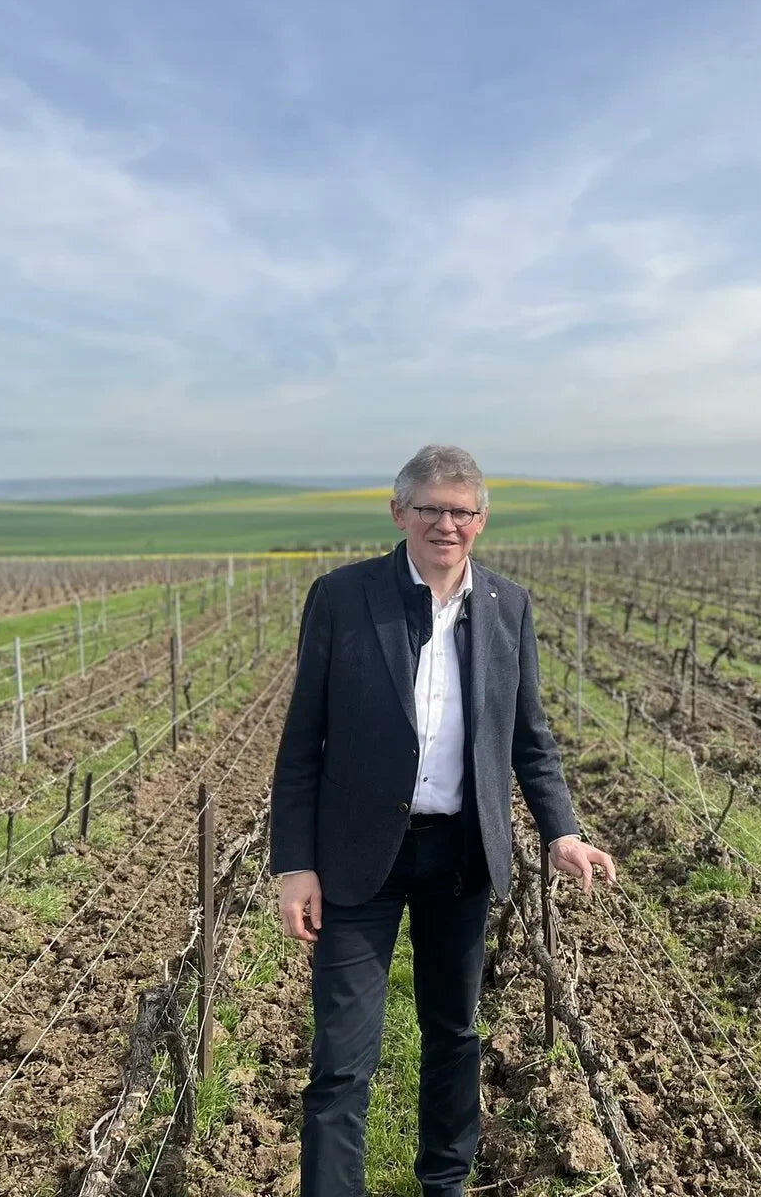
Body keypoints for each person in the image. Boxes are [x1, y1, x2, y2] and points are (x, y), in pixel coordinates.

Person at [268, 443, 618, 1197]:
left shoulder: (507, 606)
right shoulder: (342, 596)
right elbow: (303, 740)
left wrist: (561, 830)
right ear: (399, 513)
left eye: (461, 511)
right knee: (341, 1058)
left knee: (455, 1035)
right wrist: (294, 862)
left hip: (461, 853)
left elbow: (530, 735)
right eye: (428, 507)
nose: (444, 524)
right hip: (358, 856)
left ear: (482, 521)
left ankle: (446, 1182)